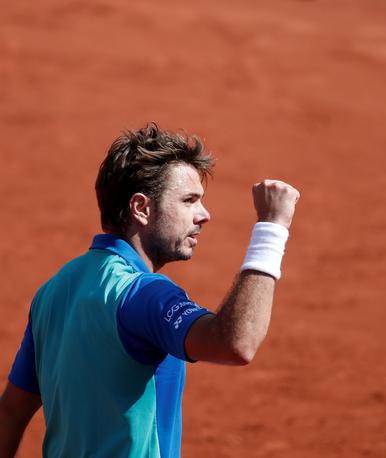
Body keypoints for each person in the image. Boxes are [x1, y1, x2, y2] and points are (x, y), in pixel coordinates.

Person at [0, 123, 300, 457]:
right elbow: (236, 344)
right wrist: (271, 229)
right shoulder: (144, 294)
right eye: (189, 200)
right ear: (141, 208)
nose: (205, 215)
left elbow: (11, 413)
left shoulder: (53, 291)